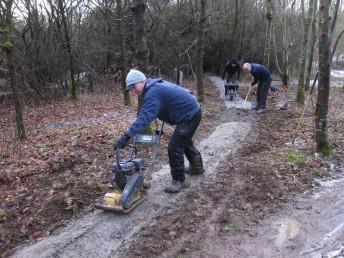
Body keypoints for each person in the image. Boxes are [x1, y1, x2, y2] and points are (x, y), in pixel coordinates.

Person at [114, 69, 204, 193]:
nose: (134, 91)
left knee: (174, 146)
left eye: (133, 87)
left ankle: (179, 180)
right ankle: (197, 167)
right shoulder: (155, 85)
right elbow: (178, 91)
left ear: (141, 82)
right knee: (184, 140)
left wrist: (126, 136)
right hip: (192, 110)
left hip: (190, 114)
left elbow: (145, 117)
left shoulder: (153, 92)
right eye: (131, 89)